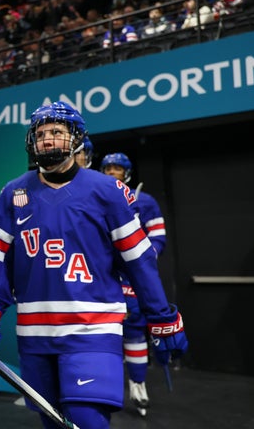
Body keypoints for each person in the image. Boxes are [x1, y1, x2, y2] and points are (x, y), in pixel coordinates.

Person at [0, 101, 187, 429]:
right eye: (41, 133)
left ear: (77, 138)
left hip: (92, 329)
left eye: (57, 132)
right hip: (34, 333)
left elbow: (139, 260)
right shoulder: (13, 193)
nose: (47, 139)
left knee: (86, 420)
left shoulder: (108, 191)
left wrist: (162, 316)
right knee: (51, 421)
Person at [100, 152, 168, 416]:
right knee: (103, 335)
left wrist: (139, 259)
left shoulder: (146, 201)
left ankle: (138, 384)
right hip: (105, 276)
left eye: (116, 168)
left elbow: (159, 237)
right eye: (107, 168)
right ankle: (106, 389)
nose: (111, 173)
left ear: (126, 172)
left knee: (135, 332)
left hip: (133, 278)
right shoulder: (97, 196)